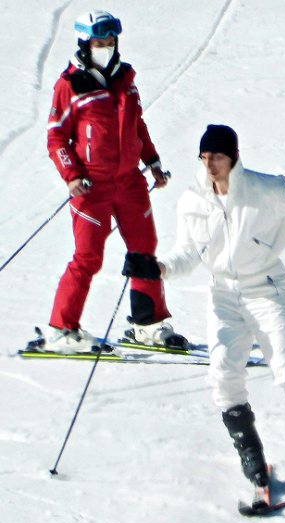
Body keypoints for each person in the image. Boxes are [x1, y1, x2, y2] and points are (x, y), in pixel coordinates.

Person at [122, 125, 285, 492]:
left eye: (218, 158)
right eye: (204, 158)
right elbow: (188, 254)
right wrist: (156, 268)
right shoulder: (193, 200)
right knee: (223, 375)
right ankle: (252, 459)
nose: (210, 165)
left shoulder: (265, 190)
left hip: (266, 289)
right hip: (222, 294)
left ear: (234, 158)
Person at [41, 10, 186, 354]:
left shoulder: (125, 79)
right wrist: (72, 176)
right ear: (85, 43)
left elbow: (137, 126)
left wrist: (152, 162)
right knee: (88, 256)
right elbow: (56, 137)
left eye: (109, 41)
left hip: (130, 183)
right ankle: (62, 330)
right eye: (98, 42)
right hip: (91, 186)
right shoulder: (70, 84)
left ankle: (147, 326)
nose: (105, 46)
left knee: (144, 251)